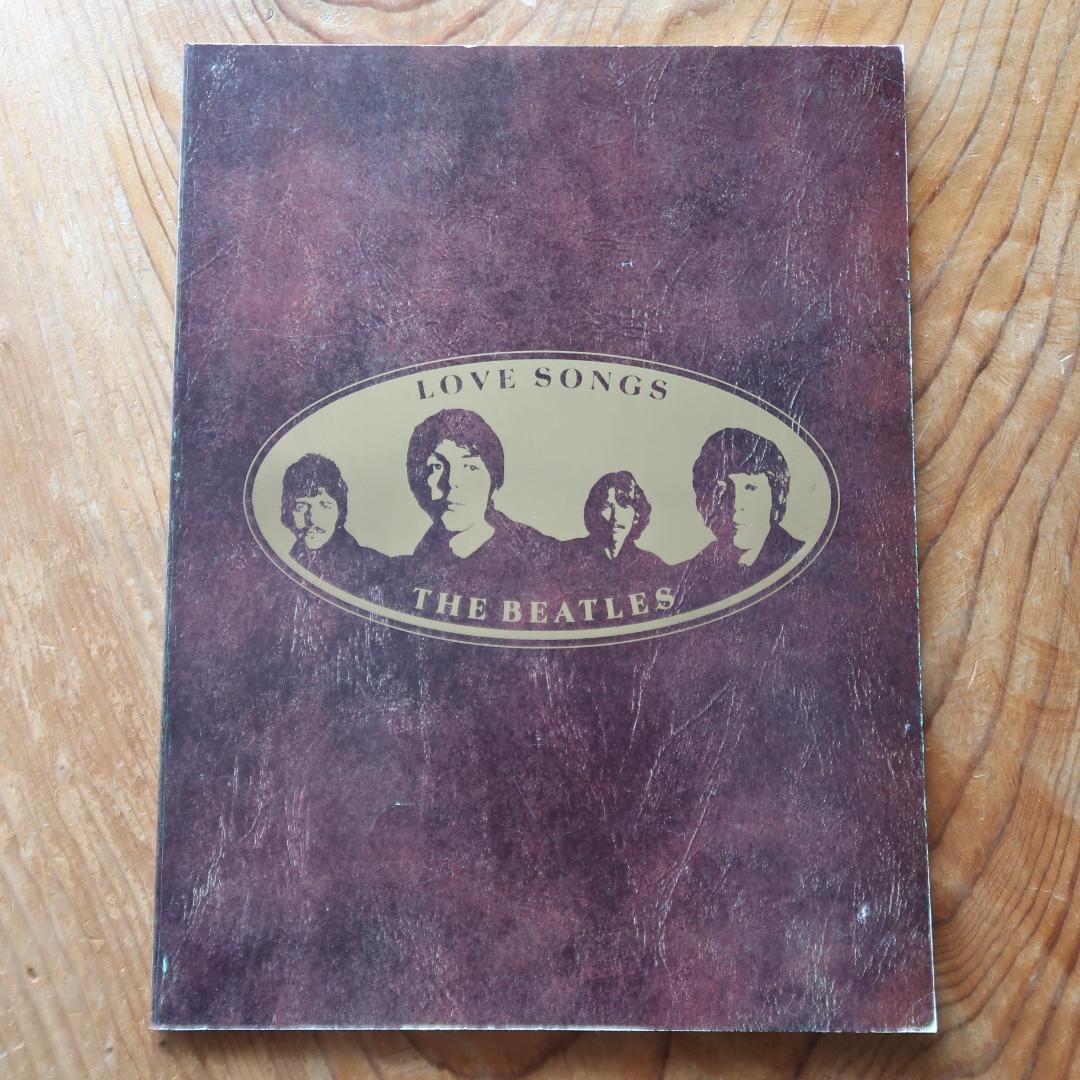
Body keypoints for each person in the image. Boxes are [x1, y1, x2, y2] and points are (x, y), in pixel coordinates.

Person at [404, 408, 556, 592]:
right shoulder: (421, 559)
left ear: (494, 485)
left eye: (470, 467)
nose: (451, 482)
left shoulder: (535, 557)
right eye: (437, 466)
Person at [679, 428, 803, 602]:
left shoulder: (800, 561)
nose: (736, 504)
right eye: (722, 488)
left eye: (750, 488)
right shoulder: (695, 571)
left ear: (776, 497)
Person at [281, 453, 387, 593]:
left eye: (323, 505)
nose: (311, 519)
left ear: (339, 510)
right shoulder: (283, 570)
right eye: (301, 507)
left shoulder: (375, 570)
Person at [560, 471, 668, 585]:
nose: (615, 517)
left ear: (637, 514)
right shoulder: (568, 557)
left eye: (624, 505)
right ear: (594, 512)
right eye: (606, 506)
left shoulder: (651, 566)